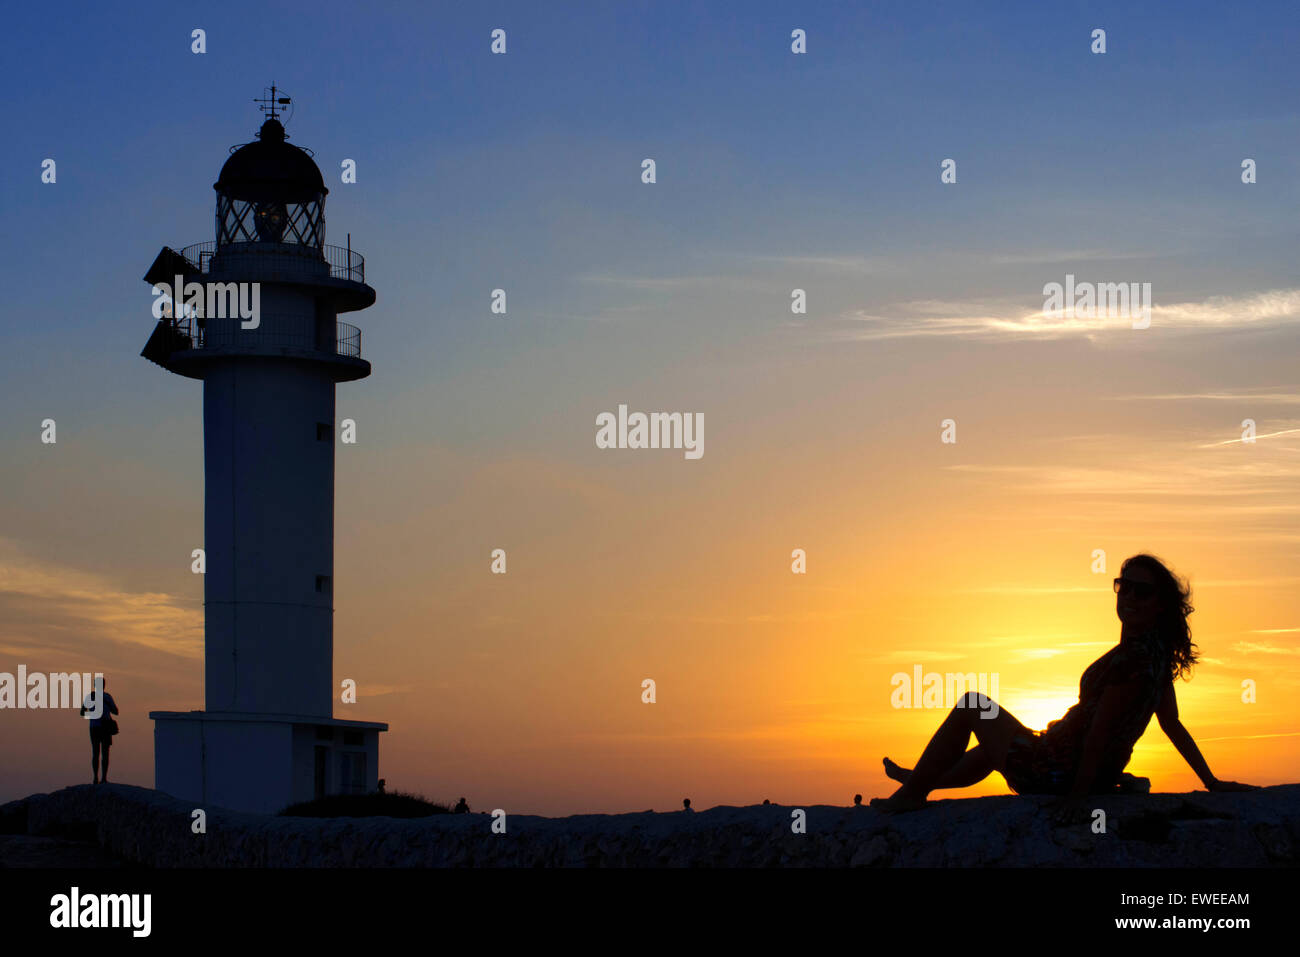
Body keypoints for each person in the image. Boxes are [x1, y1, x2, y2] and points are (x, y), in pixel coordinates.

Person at [873, 554, 1257, 822]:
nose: (1130, 597)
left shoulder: (1134, 660)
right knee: (996, 747)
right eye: (1125, 586)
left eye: (1144, 591)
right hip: (1065, 762)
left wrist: (1078, 797)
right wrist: (1211, 782)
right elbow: (1172, 725)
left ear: (1161, 605)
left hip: (1056, 770)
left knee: (973, 706)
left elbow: (1100, 731)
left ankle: (911, 795)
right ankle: (920, 780)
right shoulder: (1153, 656)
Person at [80, 678, 119, 785]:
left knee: (95, 753)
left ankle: (95, 778)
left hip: (94, 727)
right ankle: (104, 778)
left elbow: (82, 712)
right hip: (105, 727)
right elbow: (116, 711)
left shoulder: (90, 696)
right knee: (105, 753)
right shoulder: (107, 697)